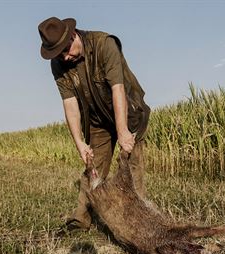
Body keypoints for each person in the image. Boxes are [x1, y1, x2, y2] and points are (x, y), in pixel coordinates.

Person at [38, 17, 151, 231]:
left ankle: (137, 222)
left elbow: (118, 89)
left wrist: (123, 131)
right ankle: (81, 221)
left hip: (129, 114)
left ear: (73, 36)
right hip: (97, 119)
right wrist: (79, 143)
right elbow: (69, 103)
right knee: (93, 169)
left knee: (132, 168)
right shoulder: (58, 63)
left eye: (66, 50)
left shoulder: (104, 44)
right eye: (58, 54)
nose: (65, 57)